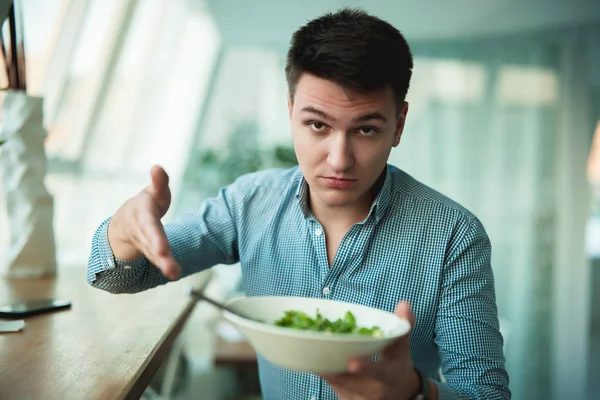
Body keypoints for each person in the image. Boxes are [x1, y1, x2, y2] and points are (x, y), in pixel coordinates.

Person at [87, 7, 510, 400]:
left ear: (398, 124)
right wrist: (124, 232)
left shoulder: (455, 235)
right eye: (317, 125)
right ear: (290, 112)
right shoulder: (248, 203)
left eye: (365, 130)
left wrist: (416, 392)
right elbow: (118, 277)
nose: (339, 159)